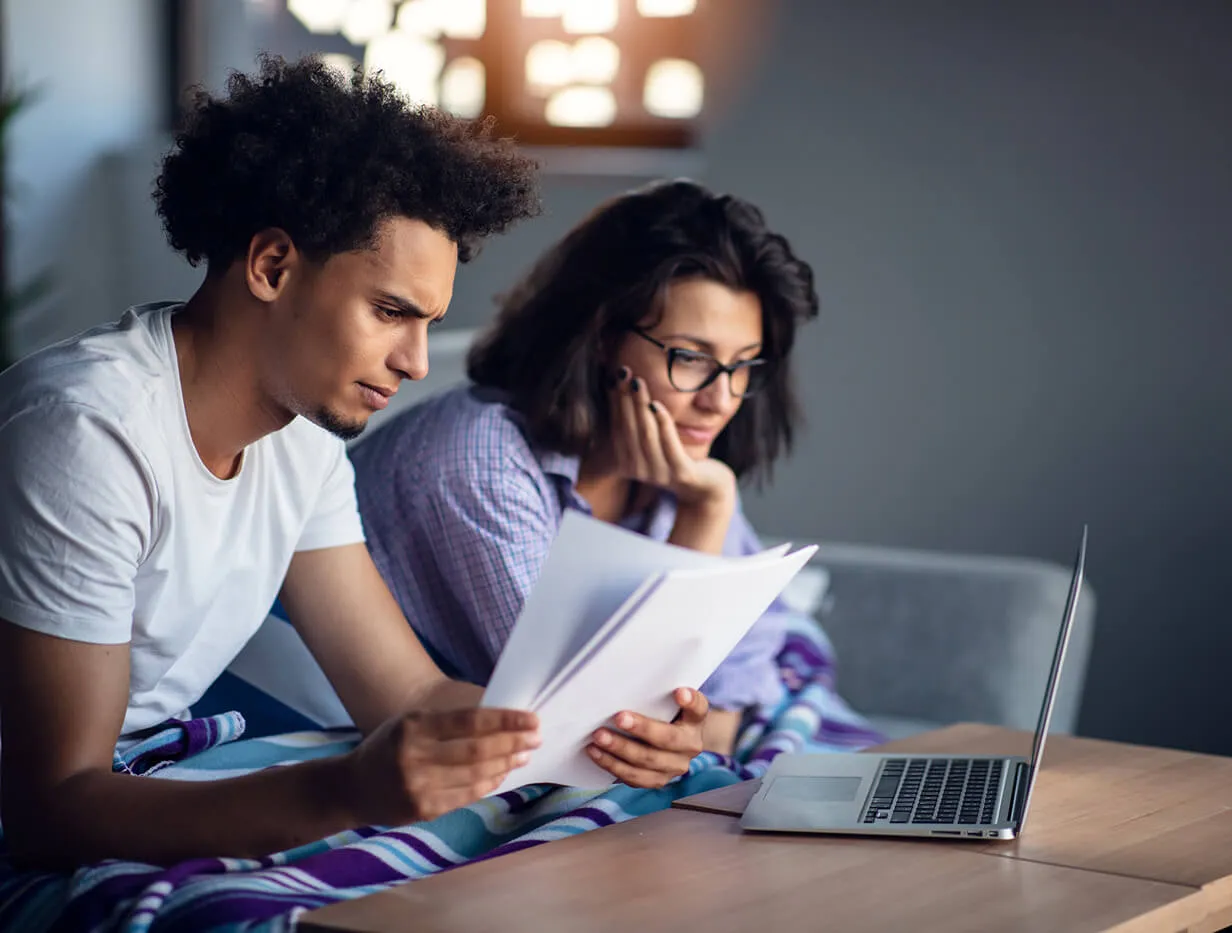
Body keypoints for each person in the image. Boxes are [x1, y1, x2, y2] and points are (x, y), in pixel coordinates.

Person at [0, 58, 712, 872]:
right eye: (389, 312)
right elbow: (51, 807)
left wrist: (610, 732)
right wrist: (344, 791)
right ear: (272, 265)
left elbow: (407, 696)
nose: (414, 362)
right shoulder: (87, 431)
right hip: (43, 829)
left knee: (592, 822)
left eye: (427, 322)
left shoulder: (302, 440)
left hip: (152, 779)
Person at [350, 179, 819, 761]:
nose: (721, 399)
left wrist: (706, 496)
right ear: (602, 340)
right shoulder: (477, 463)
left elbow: (744, 688)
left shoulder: (677, 463)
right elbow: (598, 723)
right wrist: (706, 512)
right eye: (692, 358)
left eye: (743, 366)